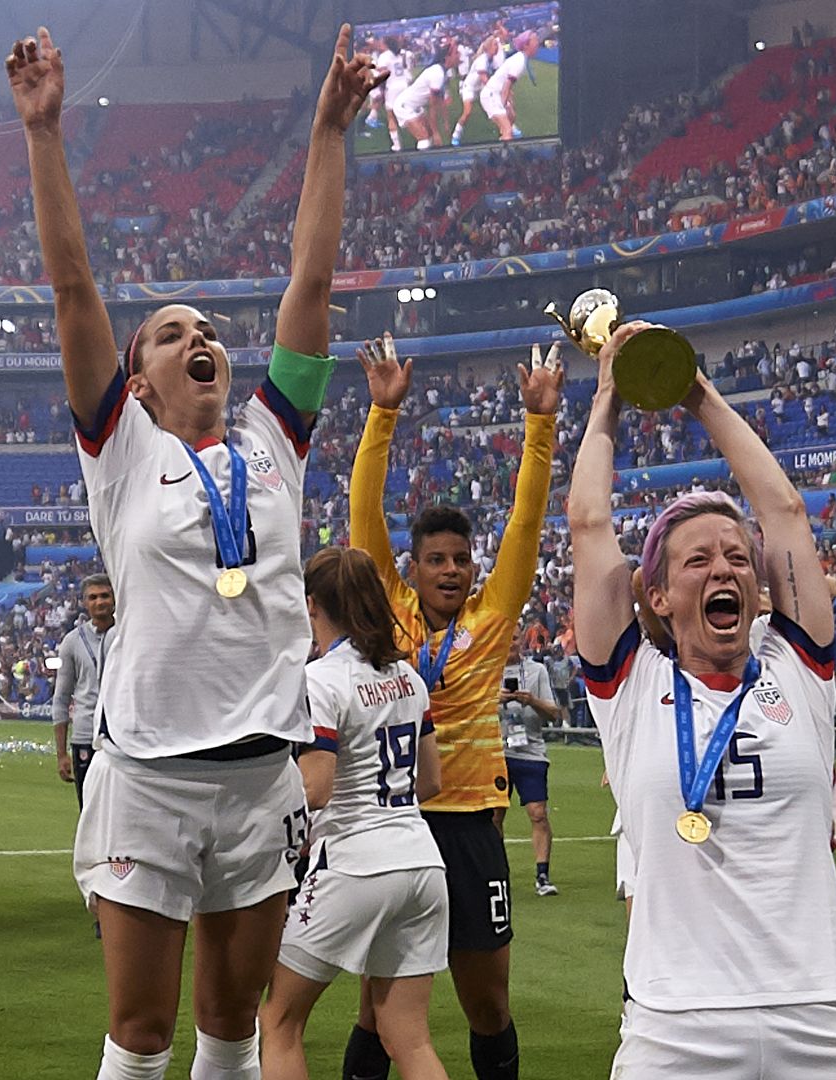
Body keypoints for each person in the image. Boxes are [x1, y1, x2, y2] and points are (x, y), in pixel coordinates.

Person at [11, 24, 367, 1080]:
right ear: (140, 375)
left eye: (205, 326)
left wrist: (329, 131)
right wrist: (43, 134)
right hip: (151, 776)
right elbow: (75, 290)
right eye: (170, 331)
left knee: (231, 1026)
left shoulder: (272, 441)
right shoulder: (120, 451)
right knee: (142, 1032)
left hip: (260, 775)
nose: (195, 335)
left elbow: (310, 282)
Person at [568, 325, 836, 1078]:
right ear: (656, 593)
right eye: (700, 559)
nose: (727, 569)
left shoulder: (798, 669)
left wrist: (696, 391)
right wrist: (611, 393)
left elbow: (784, 514)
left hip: (822, 1009)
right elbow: (588, 524)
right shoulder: (629, 683)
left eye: (739, 558)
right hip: (678, 1025)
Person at [345, 332, 562, 1080]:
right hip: (395, 824)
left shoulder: (493, 617)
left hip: (472, 827)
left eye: (459, 560)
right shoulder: (389, 606)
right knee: (377, 1009)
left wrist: (540, 426)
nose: (449, 570)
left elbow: (526, 524)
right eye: (435, 559)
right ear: (412, 567)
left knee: (487, 1005)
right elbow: (363, 513)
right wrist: (382, 415)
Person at [260, 548, 446, 1080]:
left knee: (279, 1021)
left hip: (354, 863)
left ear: (311, 603)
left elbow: (315, 789)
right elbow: (431, 780)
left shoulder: (321, 680)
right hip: (422, 863)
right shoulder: (408, 677)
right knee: (409, 1039)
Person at [497, 638, 563, 896]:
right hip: (496, 752)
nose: (511, 643)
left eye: (514, 637)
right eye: (507, 636)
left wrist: (532, 700)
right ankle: (497, 871)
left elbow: (553, 712)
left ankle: (543, 875)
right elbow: (470, 709)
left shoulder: (537, 670)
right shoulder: (488, 668)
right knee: (494, 816)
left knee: (538, 813)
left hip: (530, 752)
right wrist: (495, 699)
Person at [53, 573, 114, 809]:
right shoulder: (72, 641)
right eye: (93, 597)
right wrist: (61, 754)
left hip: (124, 735)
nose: (100, 602)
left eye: (105, 596)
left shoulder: (130, 635)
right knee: (89, 809)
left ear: (114, 598)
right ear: (84, 602)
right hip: (85, 736)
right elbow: (61, 699)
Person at [481, 32, 538, 142]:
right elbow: (506, 86)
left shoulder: (520, 58)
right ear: (526, 45)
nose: (537, 43)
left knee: (511, 117)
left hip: (495, 93)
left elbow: (506, 84)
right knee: (508, 130)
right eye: (534, 40)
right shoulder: (520, 61)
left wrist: (508, 102)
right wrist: (503, 105)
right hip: (491, 95)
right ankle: (504, 155)